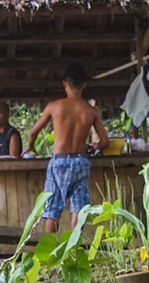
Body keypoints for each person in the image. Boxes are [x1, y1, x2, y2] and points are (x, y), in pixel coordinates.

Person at [25, 62, 109, 233]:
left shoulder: (54, 106)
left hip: (59, 162)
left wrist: (30, 146)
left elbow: (33, 132)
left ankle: (51, 251)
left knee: (53, 207)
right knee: (78, 205)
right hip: (80, 162)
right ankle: (73, 249)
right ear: (84, 84)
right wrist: (96, 145)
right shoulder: (91, 111)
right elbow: (105, 141)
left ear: (65, 83)